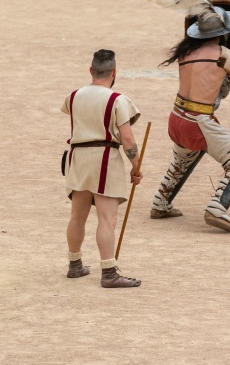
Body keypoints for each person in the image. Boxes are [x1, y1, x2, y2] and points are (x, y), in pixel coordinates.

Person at [144, 0, 230, 233]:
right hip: (198, 122)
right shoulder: (224, 55)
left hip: (176, 118)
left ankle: (161, 202)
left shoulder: (186, 52)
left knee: (181, 160)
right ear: (223, 33)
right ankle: (216, 208)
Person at [62, 49, 143, 288]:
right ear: (114, 72)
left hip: (77, 158)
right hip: (105, 158)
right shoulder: (117, 100)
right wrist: (136, 166)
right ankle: (109, 272)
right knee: (107, 220)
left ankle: (74, 265)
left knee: (77, 216)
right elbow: (127, 138)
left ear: (91, 70)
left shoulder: (74, 96)